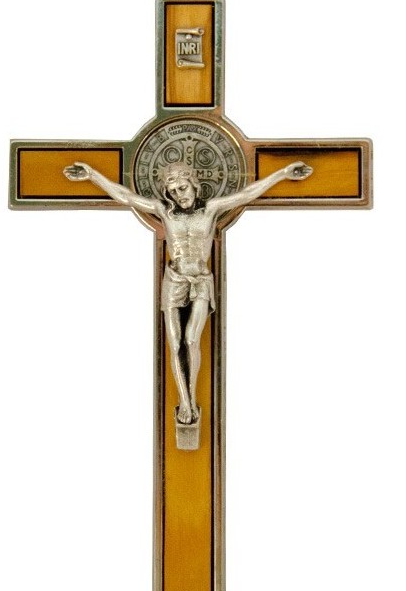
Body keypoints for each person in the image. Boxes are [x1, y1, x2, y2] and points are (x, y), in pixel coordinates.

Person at [64, 157, 312, 427]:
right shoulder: (164, 211)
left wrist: (282, 173)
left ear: (194, 184)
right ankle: (185, 400)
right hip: (174, 280)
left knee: (192, 339)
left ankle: (191, 397)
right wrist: (93, 175)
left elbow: (246, 194)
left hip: (201, 280)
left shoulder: (211, 210)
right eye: (172, 191)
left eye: (182, 188)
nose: (178, 195)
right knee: (175, 343)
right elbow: (127, 197)